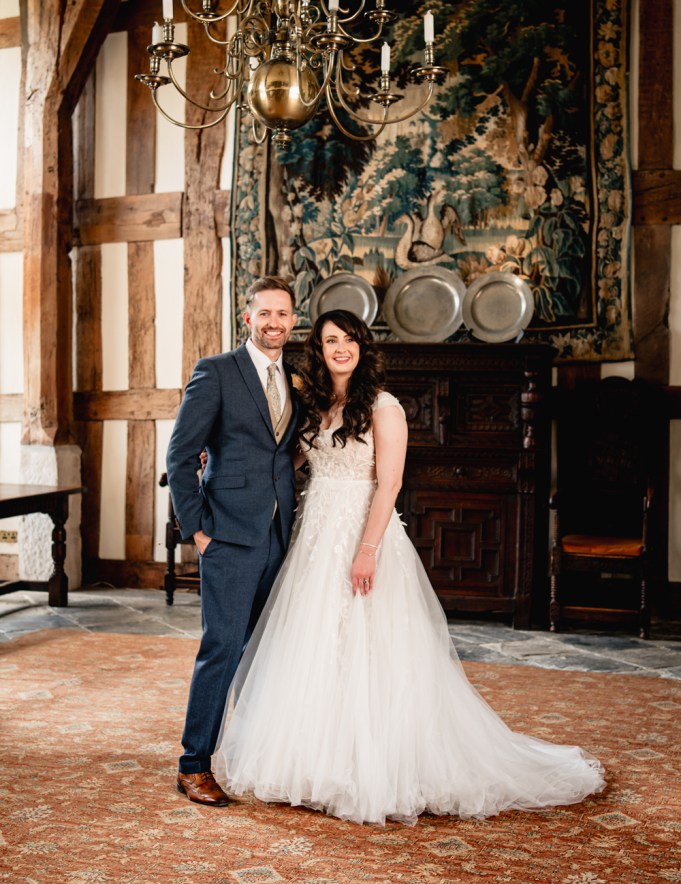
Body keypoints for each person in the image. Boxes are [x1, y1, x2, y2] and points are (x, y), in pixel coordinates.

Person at [213, 308, 605, 826]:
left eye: (349, 339)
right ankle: (314, 759)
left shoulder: (384, 405)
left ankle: (376, 763)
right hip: (314, 537)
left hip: (361, 533)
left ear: (362, 346)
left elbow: (390, 484)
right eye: (331, 340)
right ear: (320, 349)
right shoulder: (316, 404)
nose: (340, 349)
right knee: (312, 643)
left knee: (368, 648)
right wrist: (221, 464)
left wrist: (367, 549)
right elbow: (292, 463)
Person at [166, 276, 300, 807]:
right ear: (248, 318)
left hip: (280, 534)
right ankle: (193, 764)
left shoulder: (297, 376)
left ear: (294, 319)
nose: (274, 323)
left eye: (283, 314)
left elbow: (284, 453)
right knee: (221, 649)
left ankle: (252, 757)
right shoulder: (217, 372)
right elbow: (180, 455)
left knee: (264, 653)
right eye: (264, 314)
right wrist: (197, 531)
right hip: (226, 535)